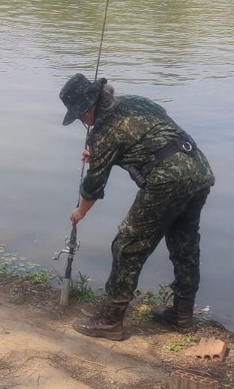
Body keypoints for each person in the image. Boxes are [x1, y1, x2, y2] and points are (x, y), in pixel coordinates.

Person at [59, 73, 215, 341]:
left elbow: (94, 184)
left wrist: (81, 211)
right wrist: (99, 148)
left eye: (79, 116)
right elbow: (149, 138)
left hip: (168, 179)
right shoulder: (136, 101)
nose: (82, 122)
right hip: (198, 169)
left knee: (127, 245)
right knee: (185, 243)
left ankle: (110, 321)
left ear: (88, 109)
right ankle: (182, 314)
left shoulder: (104, 131)